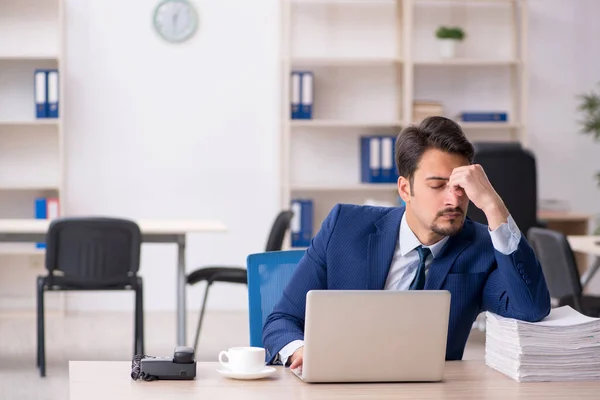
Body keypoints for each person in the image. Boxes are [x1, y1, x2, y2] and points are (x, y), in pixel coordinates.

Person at [262, 116, 551, 369]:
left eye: (461, 187)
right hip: (342, 386)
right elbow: (282, 320)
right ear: (405, 188)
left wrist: (493, 204)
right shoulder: (344, 226)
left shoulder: (482, 246)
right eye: (437, 186)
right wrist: (300, 352)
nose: (453, 199)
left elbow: (530, 308)